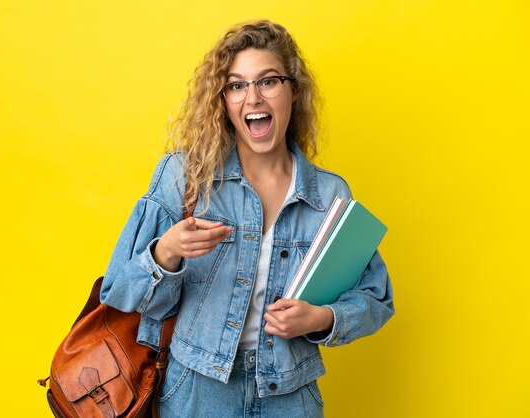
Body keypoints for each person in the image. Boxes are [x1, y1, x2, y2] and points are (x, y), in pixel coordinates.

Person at [100, 20, 394, 417]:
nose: (252, 98)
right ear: (222, 101)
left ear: (293, 91)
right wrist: (166, 251)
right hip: (198, 390)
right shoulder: (186, 176)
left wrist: (321, 318)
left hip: (291, 392)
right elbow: (119, 291)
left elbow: (376, 298)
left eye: (268, 81)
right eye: (237, 85)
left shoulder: (329, 195)